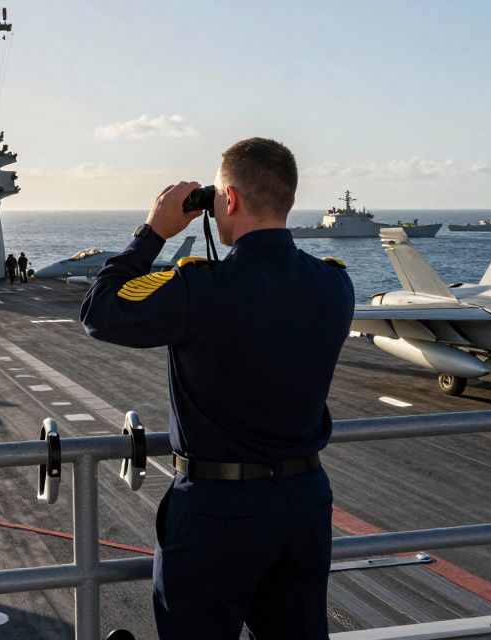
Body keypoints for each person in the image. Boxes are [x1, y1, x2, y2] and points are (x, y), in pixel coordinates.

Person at [79, 138, 354, 639]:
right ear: (288, 199)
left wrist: (153, 231)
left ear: (227, 200)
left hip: (217, 513)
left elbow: (99, 313)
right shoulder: (335, 285)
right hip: (304, 502)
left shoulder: (199, 288)